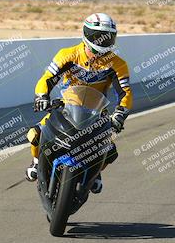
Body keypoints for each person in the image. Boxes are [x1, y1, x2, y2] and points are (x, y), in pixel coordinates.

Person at [26, 13, 133, 193]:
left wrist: (120, 114)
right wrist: (41, 96)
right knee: (34, 134)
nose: (103, 42)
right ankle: (37, 162)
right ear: (87, 34)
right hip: (66, 109)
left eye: (108, 37)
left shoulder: (117, 64)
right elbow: (47, 78)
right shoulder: (67, 55)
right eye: (99, 36)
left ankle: (95, 172)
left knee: (110, 151)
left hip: (97, 114)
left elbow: (125, 92)